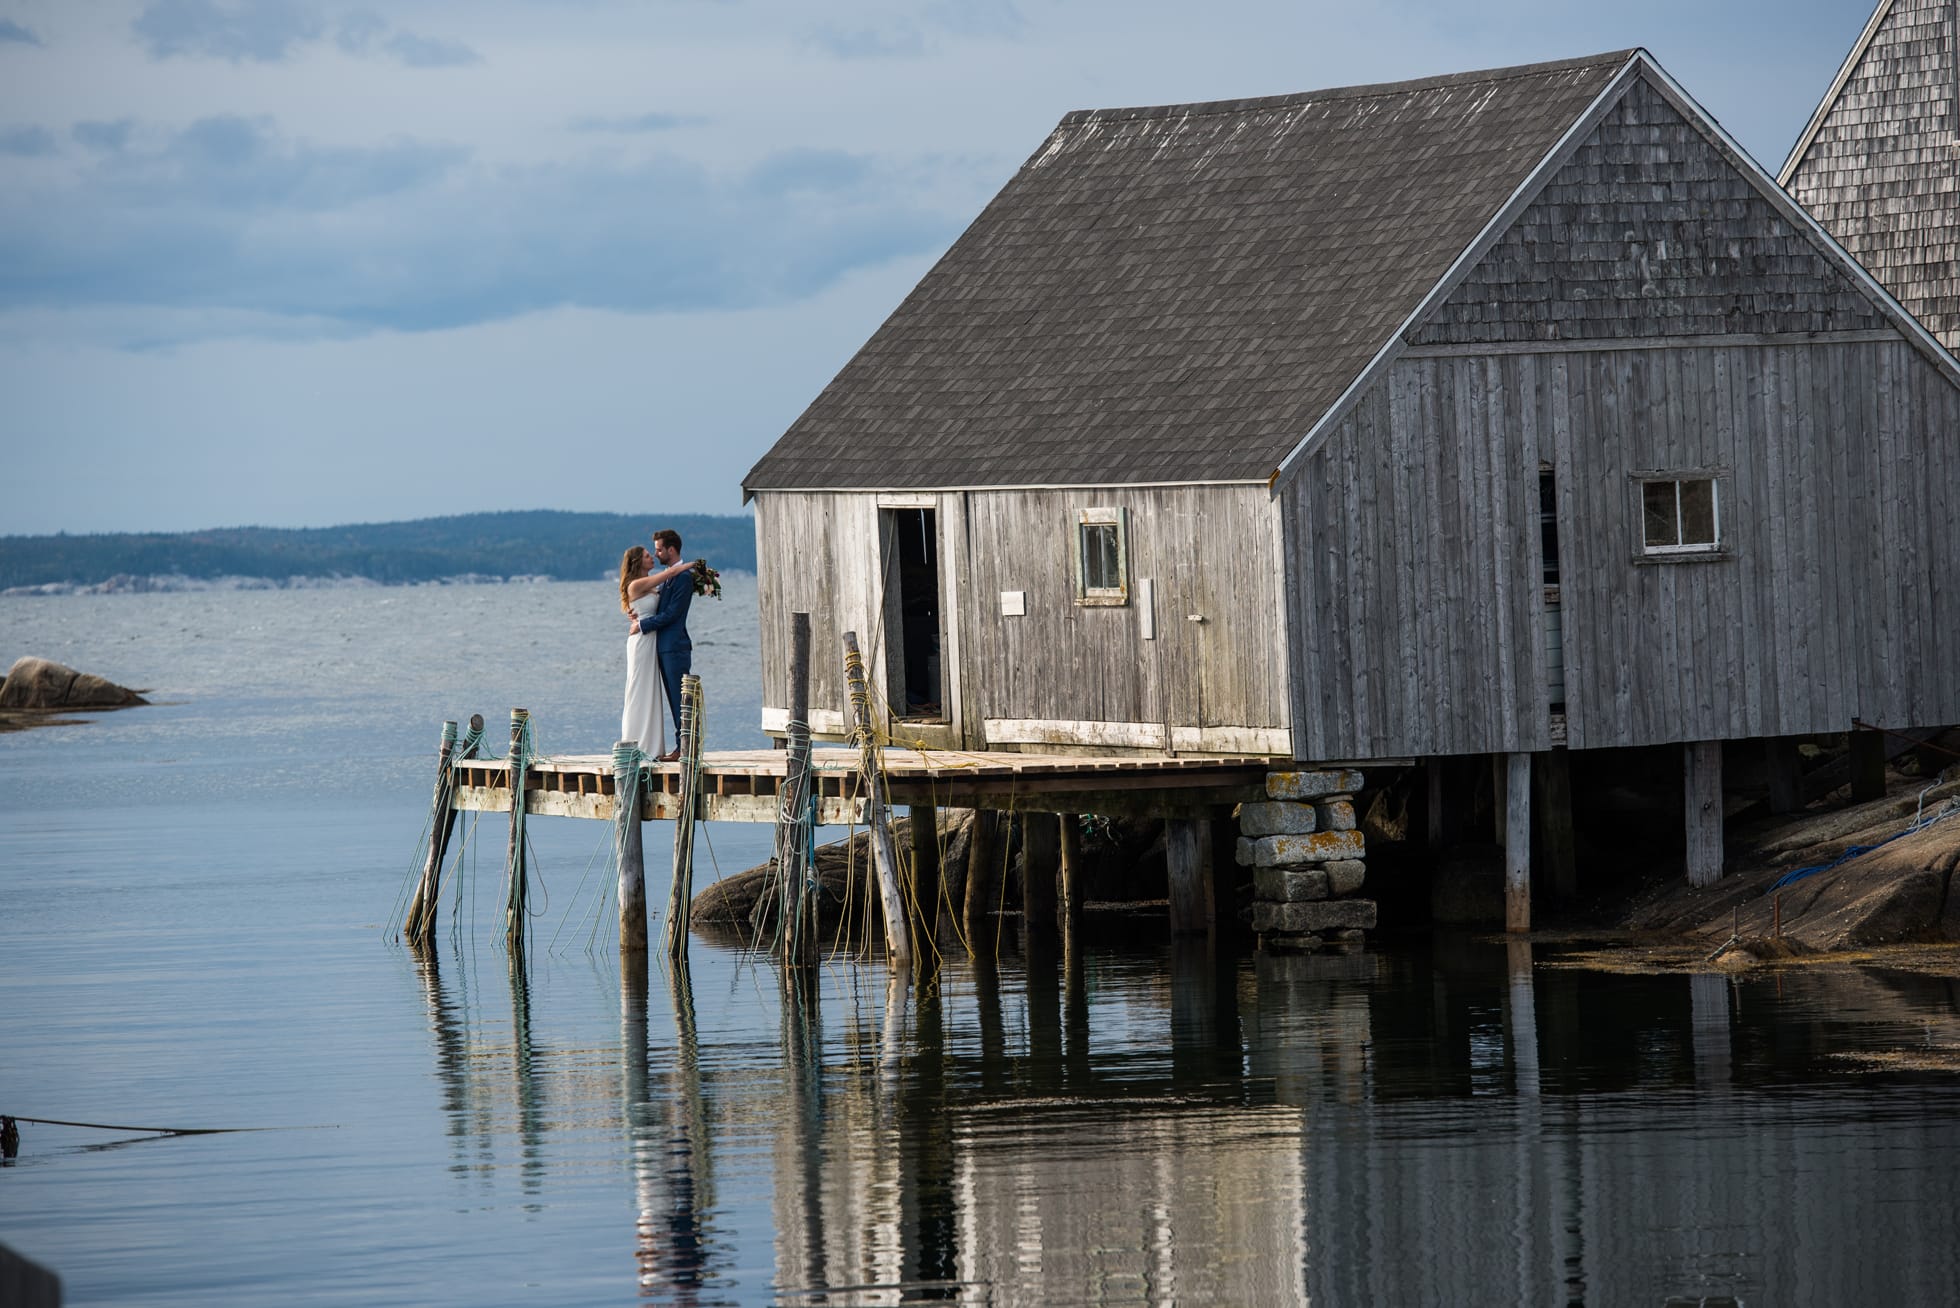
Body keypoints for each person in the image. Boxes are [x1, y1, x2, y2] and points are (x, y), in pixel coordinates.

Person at [625, 528, 696, 761]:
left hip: (672, 646)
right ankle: (646, 742)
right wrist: (638, 619)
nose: (655, 555)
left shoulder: (682, 577)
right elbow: (648, 603)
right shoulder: (663, 578)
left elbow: (673, 613)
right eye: (650, 552)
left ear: (671, 549)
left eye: (657, 550)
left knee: (677, 699)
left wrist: (643, 624)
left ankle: (682, 747)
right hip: (652, 645)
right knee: (646, 692)